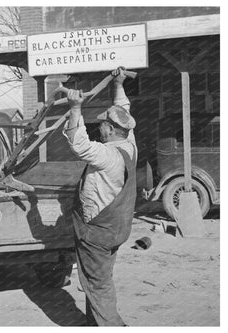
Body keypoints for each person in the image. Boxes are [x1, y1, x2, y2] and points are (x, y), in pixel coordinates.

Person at [63, 67, 137, 326]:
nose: (100, 128)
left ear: (112, 129)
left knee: (98, 284)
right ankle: (94, 324)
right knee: (96, 278)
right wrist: (117, 84)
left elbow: (78, 144)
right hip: (117, 230)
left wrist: (75, 108)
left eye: (103, 125)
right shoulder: (130, 144)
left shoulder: (107, 155)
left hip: (97, 234)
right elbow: (123, 107)